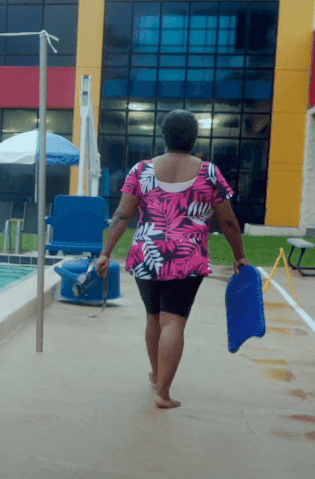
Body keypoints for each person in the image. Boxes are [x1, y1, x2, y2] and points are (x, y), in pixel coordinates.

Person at [94, 110, 249, 410]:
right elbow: (228, 221)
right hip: (186, 256)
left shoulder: (140, 171)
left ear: (163, 136)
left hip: (146, 254)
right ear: (194, 138)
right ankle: (163, 392)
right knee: (174, 321)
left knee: (154, 317)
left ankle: (156, 375)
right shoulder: (210, 173)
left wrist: (105, 252)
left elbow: (122, 215)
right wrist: (239, 256)